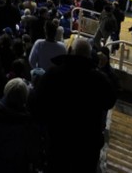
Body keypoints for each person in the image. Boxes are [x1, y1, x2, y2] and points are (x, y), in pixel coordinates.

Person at [31, 37, 118, 173]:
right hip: (86, 147)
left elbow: (37, 105)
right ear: (89, 56)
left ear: (70, 50)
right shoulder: (99, 79)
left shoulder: (52, 74)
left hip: (57, 143)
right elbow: (110, 100)